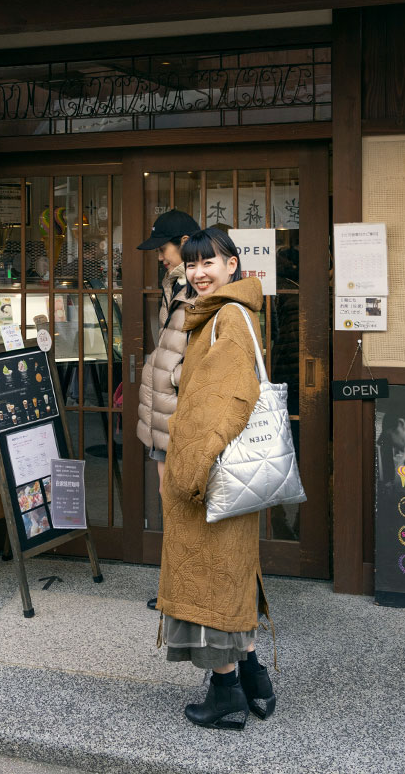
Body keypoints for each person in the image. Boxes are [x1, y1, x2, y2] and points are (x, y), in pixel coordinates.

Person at [157, 226, 276, 730]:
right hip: (224, 473)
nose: (198, 272)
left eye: (210, 262)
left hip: (211, 474)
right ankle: (253, 678)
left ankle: (225, 691)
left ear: (233, 266)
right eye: (192, 263)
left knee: (211, 579)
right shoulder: (227, 313)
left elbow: (228, 400)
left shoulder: (227, 315)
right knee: (231, 573)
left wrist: (192, 467)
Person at [136, 209, 201, 610]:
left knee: (179, 498)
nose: (160, 256)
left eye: (163, 248)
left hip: (180, 409)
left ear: (184, 243)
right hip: (165, 408)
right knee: (169, 495)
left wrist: (172, 377)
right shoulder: (175, 284)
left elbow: (198, 352)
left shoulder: (196, 288)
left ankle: (184, 587)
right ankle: (176, 584)